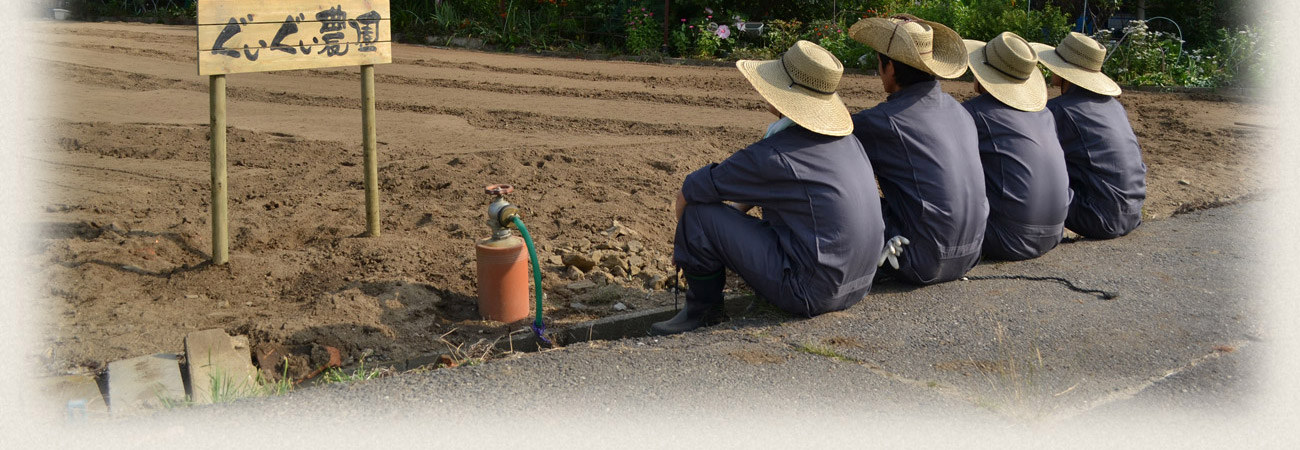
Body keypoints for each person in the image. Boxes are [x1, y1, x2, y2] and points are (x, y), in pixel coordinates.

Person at [651, 40, 885, 335]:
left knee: (696, 216)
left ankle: (702, 313)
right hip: (860, 282)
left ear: (782, 94)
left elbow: (689, 191)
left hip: (812, 292)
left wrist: (684, 242)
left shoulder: (774, 155)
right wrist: (730, 223)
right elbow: (755, 191)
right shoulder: (848, 142)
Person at [846, 14, 988, 285]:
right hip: (971, 254)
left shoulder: (882, 121)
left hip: (922, 260)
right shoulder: (961, 112)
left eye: (879, 64)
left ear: (889, 68)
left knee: (837, 199)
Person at [961, 32, 1070, 260]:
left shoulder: (974, 113)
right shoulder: (1045, 114)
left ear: (982, 72)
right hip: (1055, 231)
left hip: (1009, 238)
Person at [1030, 32, 1147, 239]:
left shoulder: (1059, 111)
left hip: (1100, 218)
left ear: (1065, 71)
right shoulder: (1115, 107)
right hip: (1132, 212)